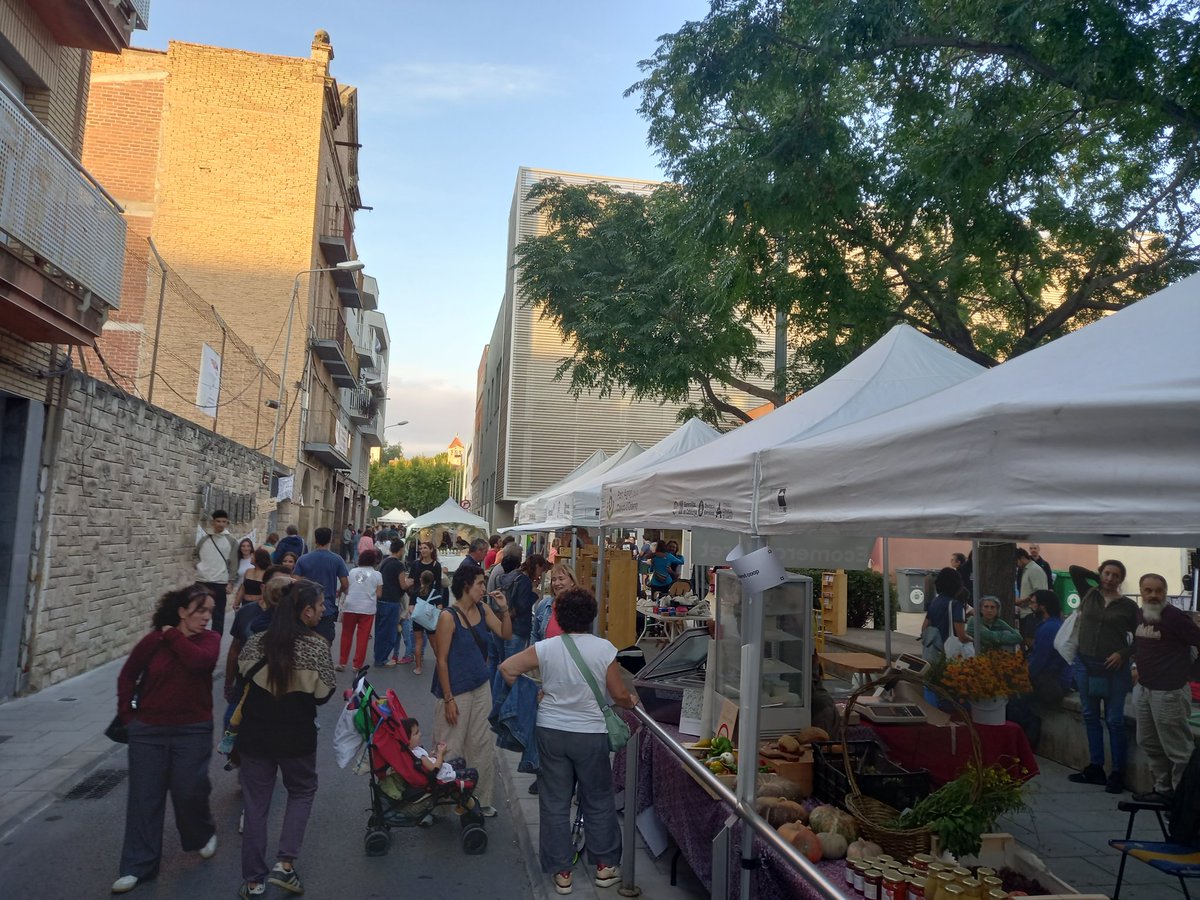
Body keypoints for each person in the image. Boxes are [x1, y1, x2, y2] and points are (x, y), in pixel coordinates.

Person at [500, 587, 638, 895]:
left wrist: (532, 691)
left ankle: (562, 872)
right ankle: (604, 867)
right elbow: (617, 694)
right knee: (598, 799)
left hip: (551, 731)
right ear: (591, 616)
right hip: (590, 734)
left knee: (554, 802)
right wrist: (630, 701)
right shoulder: (604, 649)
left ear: (559, 617)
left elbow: (507, 669)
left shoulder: (547, 647)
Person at [112, 586, 221, 894]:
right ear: (182, 610)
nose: (206, 617)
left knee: (190, 789)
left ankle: (201, 833)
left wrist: (172, 634)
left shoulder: (209, 641)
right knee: (144, 798)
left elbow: (198, 663)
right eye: (200, 610)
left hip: (193, 729)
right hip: (148, 730)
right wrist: (128, 717)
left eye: (210, 611)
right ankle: (137, 866)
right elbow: (127, 675)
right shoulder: (153, 642)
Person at [235, 579, 336, 899]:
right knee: (302, 790)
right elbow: (323, 695)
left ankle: (253, 881)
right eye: (320, 606)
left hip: (255, 734)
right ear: (306, 612)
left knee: (255, 805)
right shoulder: (317, 647)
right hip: (297, 735)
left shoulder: (256, 643)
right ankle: (285, 865)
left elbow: (241, 676)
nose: (323, 610)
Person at [431, 566, 513, 818]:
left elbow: (505, 634)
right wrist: (448, 699)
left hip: (480, 686)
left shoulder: (483, 609)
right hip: (455, 690)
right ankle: (440, 803)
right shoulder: (448, 616)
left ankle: (478, 800)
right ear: (466, 585)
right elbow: (441, 660)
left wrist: (505, 609)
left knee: (480, 744)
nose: (483, 588)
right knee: (450, 746)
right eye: (480, 583)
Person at [1067, 560, 1138, 793]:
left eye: (1115, 575)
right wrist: (1098, 579)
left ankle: (1117, 772)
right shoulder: (1089, 595)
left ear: (1121, 580)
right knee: (1089, 714)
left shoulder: (1128, 606)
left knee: (1114, 720)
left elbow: (1140, 638)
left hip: (1115, 667)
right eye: (1107, 573)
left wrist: (1123, 653)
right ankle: (1095, 767)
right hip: (1086, 663)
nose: (1110, 578)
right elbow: (1075, 570)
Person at [1130, 573, 1200, 803]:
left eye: (1158, 590)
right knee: (1148, 741)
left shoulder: (1175, 617)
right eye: (1147, 590)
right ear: (1141, 592)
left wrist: (1186, 671)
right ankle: (1163, 790)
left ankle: (1184, 800)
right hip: (1144, 689)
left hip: (1169, 692)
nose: (1153, 595)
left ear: (1165, 592)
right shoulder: (1139, 614)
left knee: (1178, 749)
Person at [292, 527, 349, 644]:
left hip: (305, 608)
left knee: (303, 643)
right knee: (324, 643)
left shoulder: (303, 559)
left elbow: (295, 581)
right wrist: (340, 590)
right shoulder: (337, 560)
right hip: (326, 607)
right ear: (330, 540)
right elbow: (345, 584)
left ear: (315, 540)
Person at [194, 509, 238, 636]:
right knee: (197, 611)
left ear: (227, 523)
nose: (221, 524)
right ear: (213, 522)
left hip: (220, 582)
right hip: (201, 581)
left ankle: (215, 642)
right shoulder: (204, 539)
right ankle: (196, 638)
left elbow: (234, 563)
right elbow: (195, 555)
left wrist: (231, 582)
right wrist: (198, 565)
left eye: (224, 521)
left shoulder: (231, 541)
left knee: (218, 615)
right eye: (218, 521)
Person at [339, 548, 383, 672]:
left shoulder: (352, 571)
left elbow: (346, 588)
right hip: (367, 608)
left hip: (350, 605)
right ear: (374, 561)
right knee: (362, 637)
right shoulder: (377, 575)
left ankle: (342, 662)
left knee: (346, 634)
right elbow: (379, 595)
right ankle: (357, 665)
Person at [408, 539, 444, 675]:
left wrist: (411, 608)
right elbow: (412, 580)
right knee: (431, 639)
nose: (422, 550)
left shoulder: (436, 565)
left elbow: (439, 584)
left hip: (420, 601)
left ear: (431, 550)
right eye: (421, 548)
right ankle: (439, 664)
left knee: (421, 639)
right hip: (424, 601)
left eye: (425, 548)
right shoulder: (416, 564)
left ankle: (418, 667)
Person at [378, 539, 413, 667]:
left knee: (381, 631)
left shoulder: (383, 562)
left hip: (381, 599)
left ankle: (379, 657)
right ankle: (385, 658)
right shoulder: (399, 565)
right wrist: (410, 582)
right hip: (392, 601)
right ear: (401, 550)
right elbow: (403, 585)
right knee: (391, 632)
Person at [922, 567, 968, 654]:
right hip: (949, 652)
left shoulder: (935, 601)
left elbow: (924, 628)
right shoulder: (956, 605)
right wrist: (973, 640)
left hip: (934, 650)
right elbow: (961, 636)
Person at [534, 563, 578, 643]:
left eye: (561, 579)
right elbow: (535, 635)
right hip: (546, 654)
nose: (557, 583)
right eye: (554, 580)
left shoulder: (581, 606)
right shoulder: (544, 605)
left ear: (572, 582)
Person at [1014, 547, 1049, 640]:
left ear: (1022, 558)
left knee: (1030, 642)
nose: (1017, 566)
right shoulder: (1026, 570)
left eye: (1016, 562)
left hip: (1032, 613)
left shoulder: (1034, 569)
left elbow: (1040, 592)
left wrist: (1022, 601)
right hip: (1025, 612)